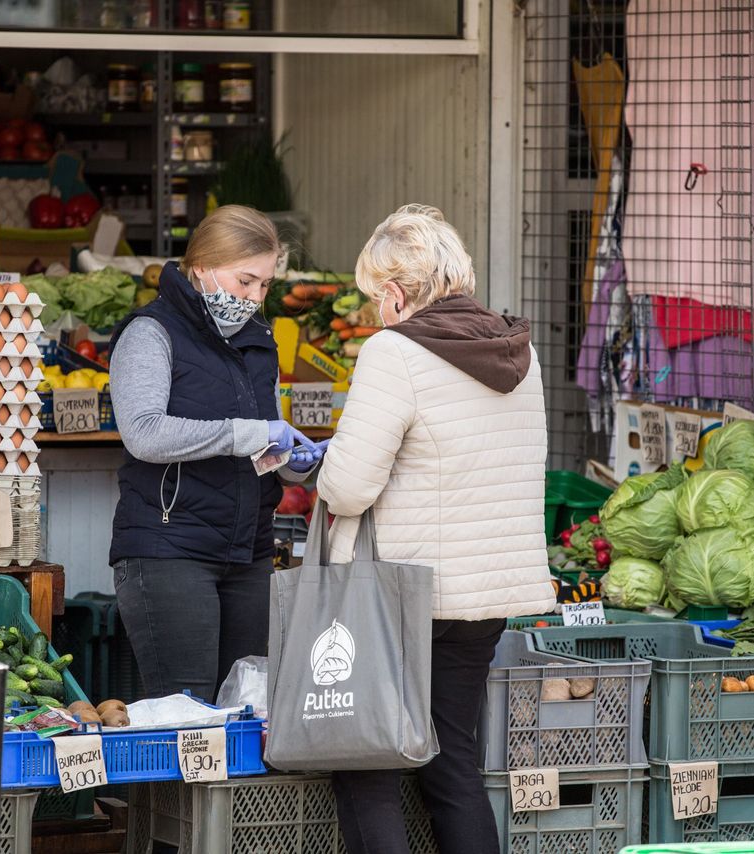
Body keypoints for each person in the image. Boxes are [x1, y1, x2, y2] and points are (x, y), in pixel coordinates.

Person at [316, 204, 553, 854]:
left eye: (375, 296)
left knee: (368, 767)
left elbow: (349, 485)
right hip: (484, 597)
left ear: (395, 292)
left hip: (399, 595)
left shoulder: (394, 352)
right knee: (452, 764)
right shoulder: (518, 353)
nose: (374, 310)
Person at [108, 205, 321, 703]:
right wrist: (246, 433)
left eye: (265, 285)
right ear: (201, 266)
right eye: (245, 281)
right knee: (187, 719)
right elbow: (143, 433)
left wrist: (295, 462)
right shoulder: (149, 333)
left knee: (246, 706)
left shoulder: (258, 342)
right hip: (169, 551)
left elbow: (256, 443)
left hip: (247, 552)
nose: (254, 298)